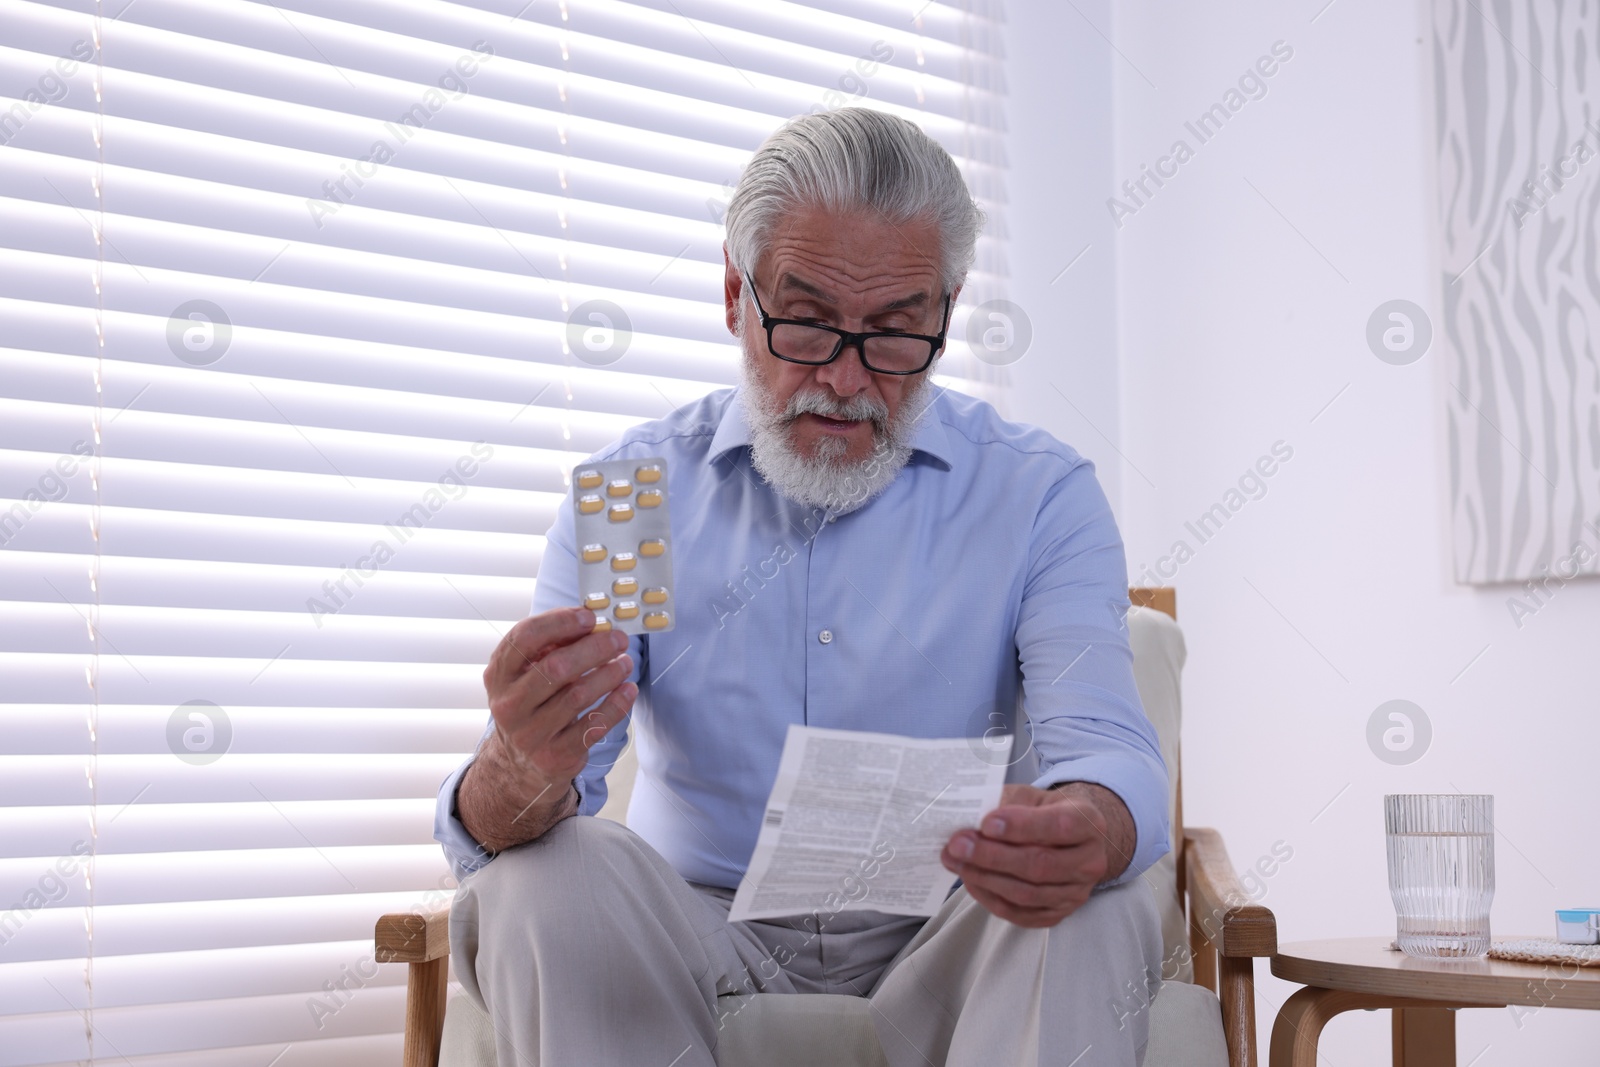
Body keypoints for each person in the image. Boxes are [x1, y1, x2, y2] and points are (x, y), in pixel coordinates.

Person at [434, 107, 1170, 1067]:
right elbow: (540, 799)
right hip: (699, 938)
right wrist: (514, 768)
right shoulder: (635, 497)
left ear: (946, 312)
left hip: (954, 937)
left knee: (1092, 904)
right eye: (811, 323)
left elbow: (1107, 747)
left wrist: (1090, 824)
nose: (849, 381)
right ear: (737, 295)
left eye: (899, 333)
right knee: (546, 877)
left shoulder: (1040, 496)